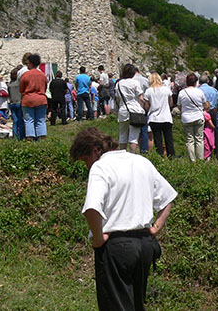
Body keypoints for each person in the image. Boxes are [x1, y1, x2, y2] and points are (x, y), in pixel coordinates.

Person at [72, 127, 176, 311]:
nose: (88, 166)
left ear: (96, 150)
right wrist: (155, 228)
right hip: (144, 244)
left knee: (116, 305)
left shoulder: (101, 166)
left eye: (85, 160)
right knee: (136, 305)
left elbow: (91, 209)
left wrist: (98, 238)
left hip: (117, 245)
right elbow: (167, 198)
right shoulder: (141, 161)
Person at [115, 63, 146, 153]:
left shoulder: (119, 84)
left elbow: (117, 99)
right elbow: (141, 98)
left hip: (123, 110)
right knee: (134, 137)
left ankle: (122, 154)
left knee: (123, 135)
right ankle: (132, 155)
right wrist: (142, 109)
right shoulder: (135, 83)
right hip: (134, 110)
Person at [143, 72, 175, 158]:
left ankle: (160, 156)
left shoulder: (148, 91)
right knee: (168, 139)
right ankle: (171, 156)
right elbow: (171, 103)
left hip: (154, 118)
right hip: (166, 117)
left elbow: (146, 106)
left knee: (157, 139)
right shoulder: (166, 90)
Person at [177, 73, 208, 162]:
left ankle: (192, 159)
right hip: (198, 116)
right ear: (196, 82)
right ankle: (200, 159)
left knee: (189, 139)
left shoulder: (182, 92)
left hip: (187, 117)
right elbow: (204, 104)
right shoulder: (199, 92)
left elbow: (179, 106)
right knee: (199, 139)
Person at [19, 53, 48, 141]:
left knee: (29, 120)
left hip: (28, 99)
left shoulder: (26, 75)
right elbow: (45, 87)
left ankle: (29, 138)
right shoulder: (43, 75)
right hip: (41, 99)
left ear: (31, 63)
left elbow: (21, 89)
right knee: (41, 120)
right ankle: (42, 138)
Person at [8, 66, 25, 140]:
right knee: (20, 121)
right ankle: (21, 136)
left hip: (12, 103)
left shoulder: (9, 84)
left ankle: (15, 136)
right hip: (19, 102)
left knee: (15, 121)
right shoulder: (19, 83)